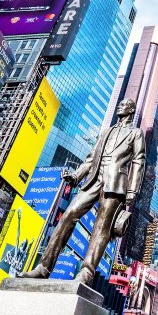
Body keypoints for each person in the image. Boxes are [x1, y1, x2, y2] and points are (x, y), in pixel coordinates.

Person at [20, 99, 145, 285]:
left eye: (124, 104)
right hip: (94, 178)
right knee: (69, 214)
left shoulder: (136, 133)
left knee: (101, 227)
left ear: (131, 110)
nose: (120, 105)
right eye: (119, 103)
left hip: (115, 182)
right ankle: (43, 267)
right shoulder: (106, 131)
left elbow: (138, 160)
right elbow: (91, 158)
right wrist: (76, 176)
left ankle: (86, 273)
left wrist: (132, 191)